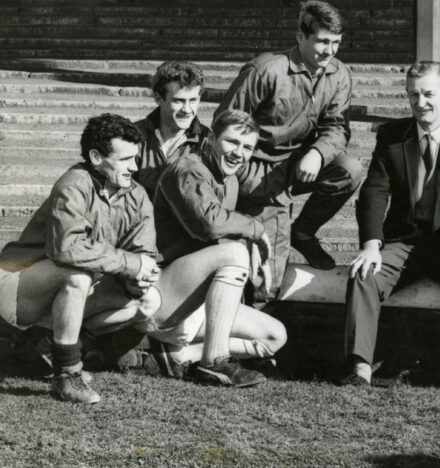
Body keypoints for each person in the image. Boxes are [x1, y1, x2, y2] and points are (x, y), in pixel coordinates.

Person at [342, 61, 440, 388]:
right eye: (413, 95)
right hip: (404, 242)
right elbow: (375, 190)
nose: (420, 102)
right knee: (363, 273)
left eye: (428, 94)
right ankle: (360, 368)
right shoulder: (392, 135)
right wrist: (371, 245)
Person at [0, 114, 161, 404]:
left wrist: (142, 278)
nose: (134, 167)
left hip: (65, 291)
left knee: (147, 301)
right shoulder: (75, 183)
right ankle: (68, 374)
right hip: (17, 282)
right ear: (96, 156)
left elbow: (145, 254)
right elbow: (67, 249)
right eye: (125, 159)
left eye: (136, 158)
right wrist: (132, 264)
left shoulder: (137, 195)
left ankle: (48, 343)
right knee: (77, 275)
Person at [133, 109, 286, 386]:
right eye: (232, 142)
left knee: (276, 335)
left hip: (196, 302)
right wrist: (255, 229)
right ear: (211, 139)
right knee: (236, 252)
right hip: (162, 295)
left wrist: (250, 248)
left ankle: (176, 355)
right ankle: (214, 362)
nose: (239, 153)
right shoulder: (188, 169)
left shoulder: (230, 179)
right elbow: (209, 226)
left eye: (248, 147)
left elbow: (221, 238)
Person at [214, 0, 363, 273]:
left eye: (336, 43)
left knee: (349, 169)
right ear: (300, 36)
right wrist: (242, 175)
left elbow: (337, 126)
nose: (329, 51)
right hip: (256, 167)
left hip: (298, 162)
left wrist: (318, 153)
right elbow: (225, 124)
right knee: (268, 269)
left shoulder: (339, 73)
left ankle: (303, 233)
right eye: (322, 41)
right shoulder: (266, 69)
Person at [134, 60, 210, 199]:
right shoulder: (134, 135)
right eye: (178, 101)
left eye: (193, 100)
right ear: (158, 98)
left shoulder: (208, 142)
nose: (187, 110)